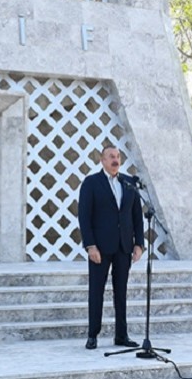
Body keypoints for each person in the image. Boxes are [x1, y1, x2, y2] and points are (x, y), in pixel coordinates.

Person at [78, 144, 145, 350]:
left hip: (124, 247)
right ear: (102, 160)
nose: (115, 160)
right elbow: (84, 216)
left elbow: (137, 216)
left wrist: (139, 243)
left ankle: (121, 335)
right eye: (111, 156)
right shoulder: (91, 183)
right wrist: (90, 246)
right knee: (96, 292)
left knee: (121, 292)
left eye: (117, 156)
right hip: (100, 247)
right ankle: (92, 335)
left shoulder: (128, 182)